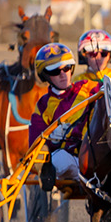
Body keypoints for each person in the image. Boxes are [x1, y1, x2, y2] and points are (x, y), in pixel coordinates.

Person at [30, 42, 94, 192]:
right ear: (45, 75)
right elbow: (35, 147)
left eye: (67, 68)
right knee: (60, 159)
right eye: (55, 71)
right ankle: (47, 173)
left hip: (96, 155)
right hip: (70, 163)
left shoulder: (89, 88)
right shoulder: (43, 106)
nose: (63, 74)